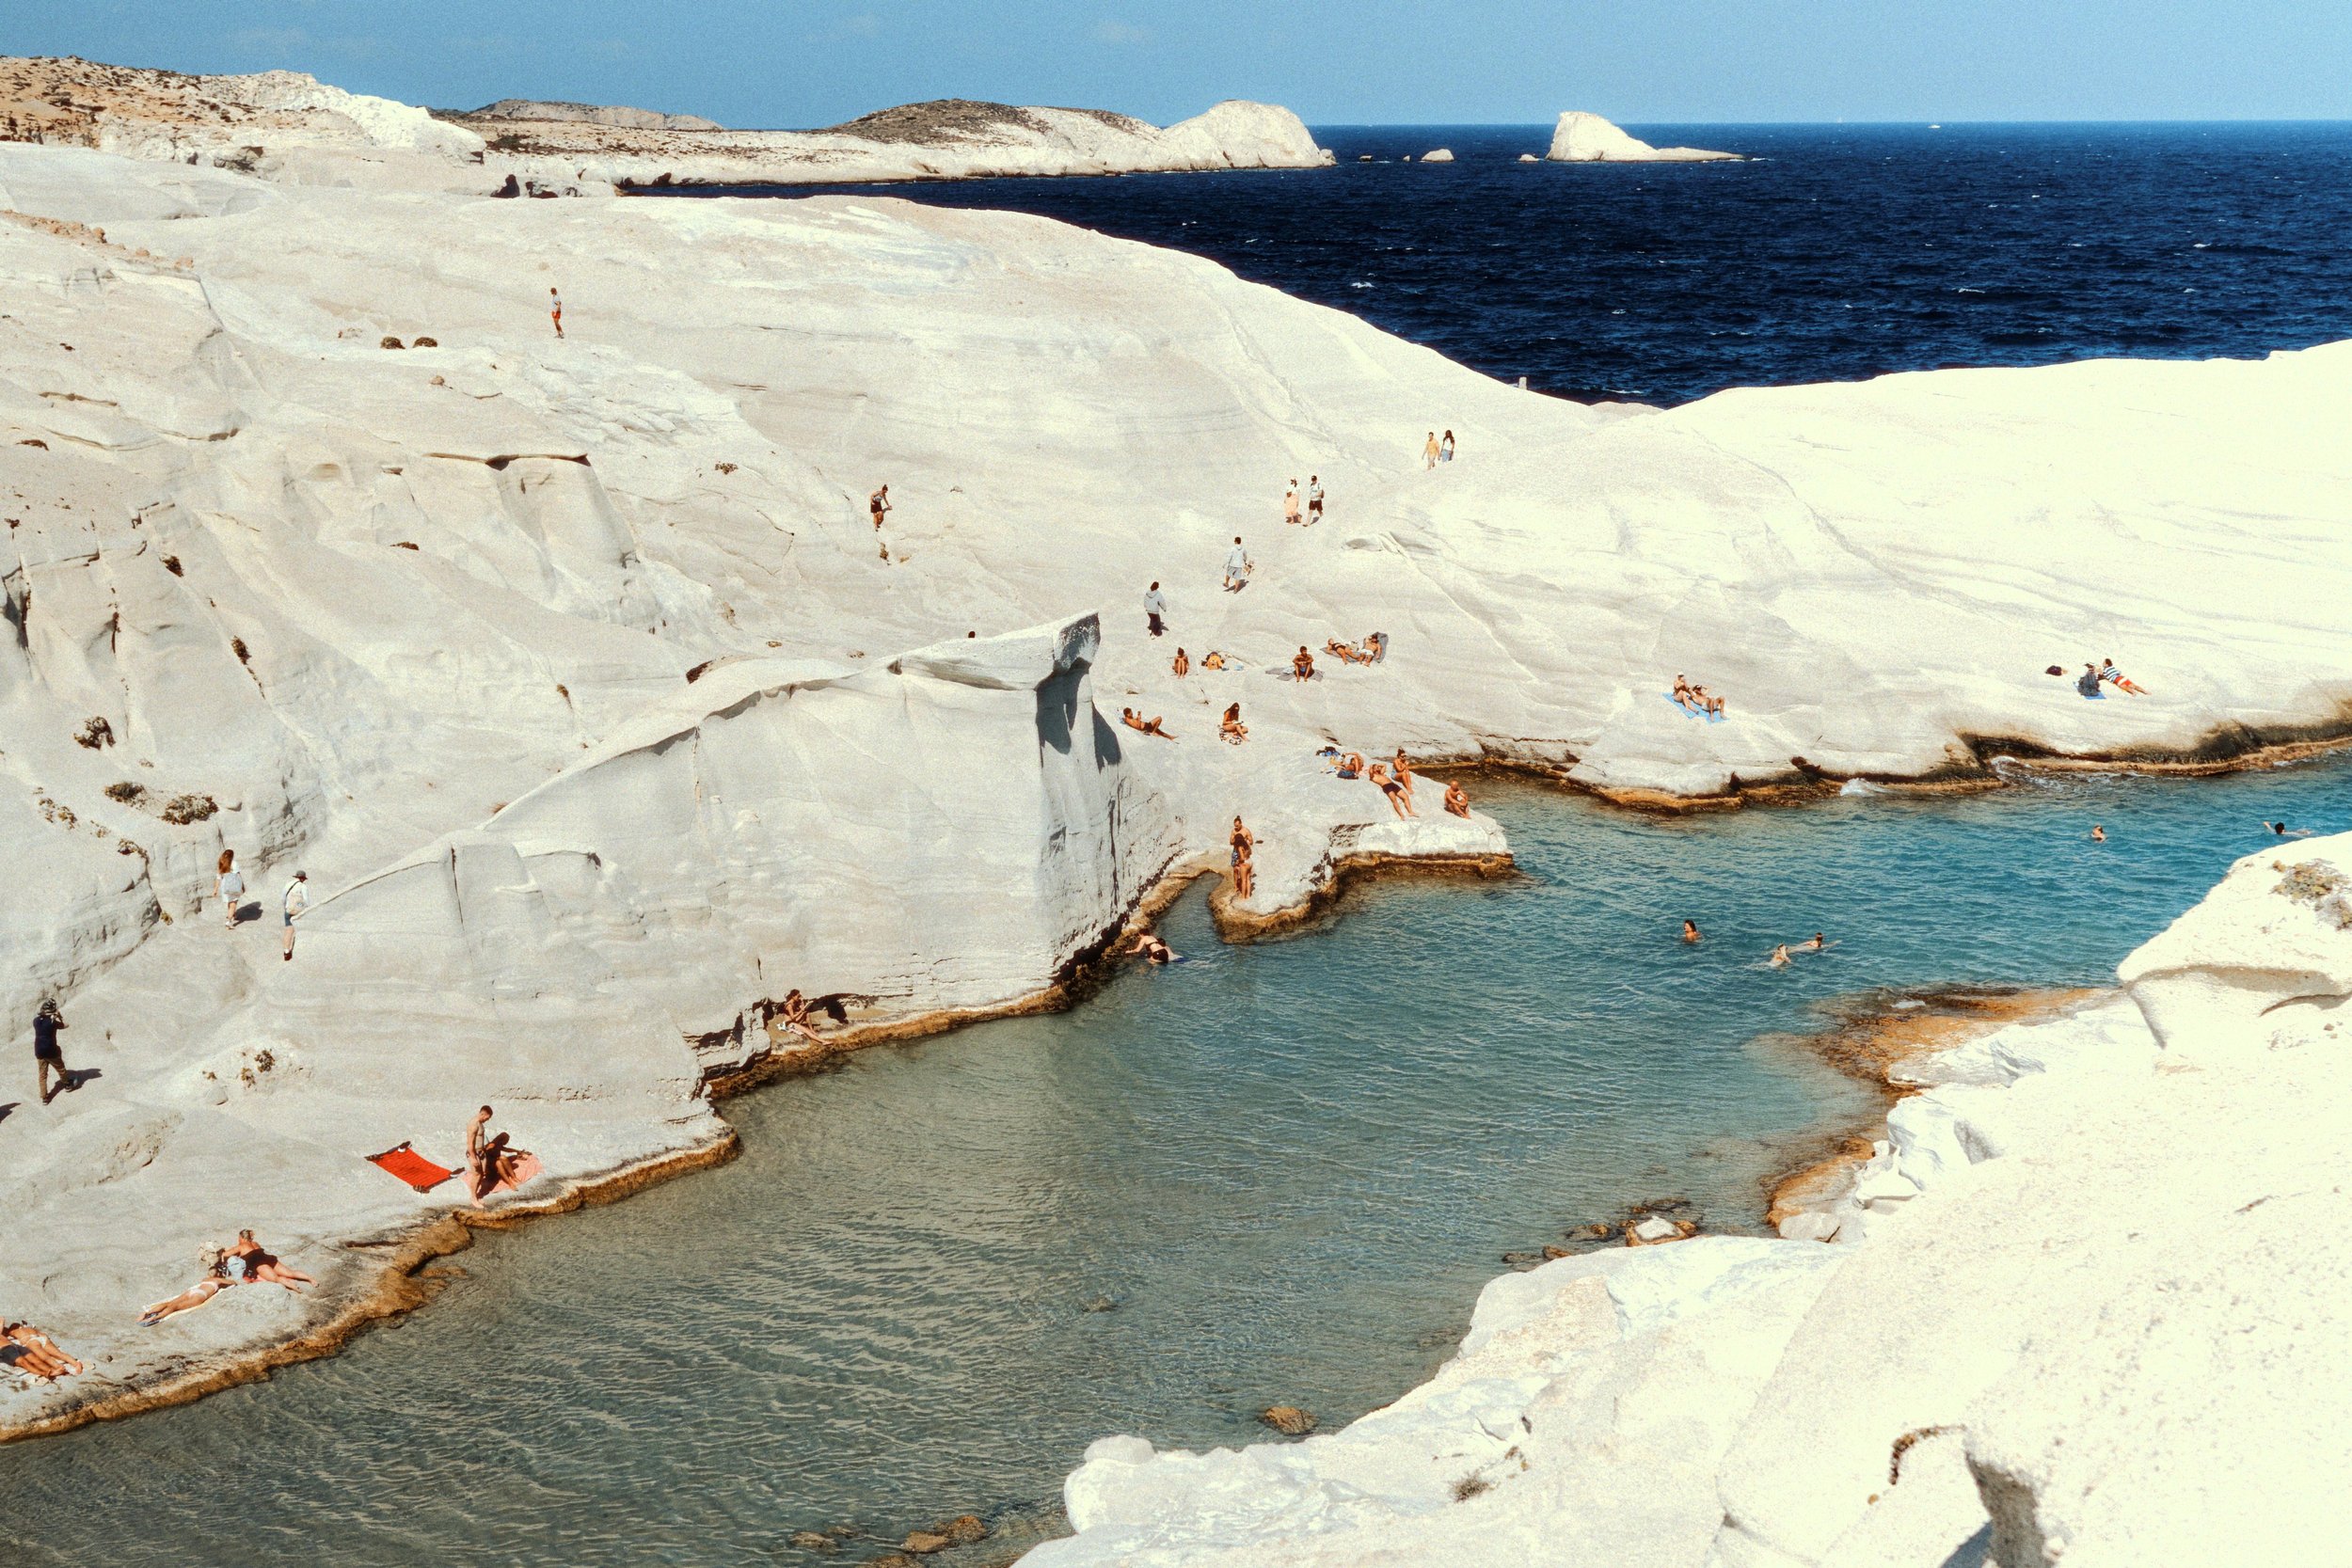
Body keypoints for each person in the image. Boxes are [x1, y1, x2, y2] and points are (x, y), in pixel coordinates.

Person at [139, 1249, 237, 1325]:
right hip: (200, 1295)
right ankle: (154, 1318)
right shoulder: (218, 1280)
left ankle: (148, 1313)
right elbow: (232, 1282)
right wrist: (224, 1279)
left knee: (170, 1303)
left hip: (192, 1291)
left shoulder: (205, 1279)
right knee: (175, 1307)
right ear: (218, 1274)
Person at [230, 1230, 314, 1291]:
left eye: (239, 1238)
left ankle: (294, 1287)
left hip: (260, 1264)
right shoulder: (255, 1243)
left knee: (276, 1278)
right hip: (269, 1259)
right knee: (290, 1273)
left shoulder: (240, 1246)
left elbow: (225, 1254)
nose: (238, 1240)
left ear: (242, 1238)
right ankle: (311, 1279)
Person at [0, 1322, 82, 1380]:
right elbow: (43, 1334)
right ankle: (76, 1364)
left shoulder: (12, 1331)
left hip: (29, 1342)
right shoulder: (28, 1328)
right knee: (59, 1354)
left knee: (45, 1358)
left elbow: (2, 1324)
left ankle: (58, 1368)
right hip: (40, 1338)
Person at [31, 999, 67, 1106]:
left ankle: (44, 1097)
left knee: (42, 1075)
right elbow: (65, 1025)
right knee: (60, 1068)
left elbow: (44, 1023)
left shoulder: (36, 1021)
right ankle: (67, 1083)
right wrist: (59, 1017)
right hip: (51, 1050)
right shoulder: (53, 1023)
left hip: (39, 1051)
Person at [281, 870, 309, 961]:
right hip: (298, 912)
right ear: (302, 878)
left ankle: (286, 952)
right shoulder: (303, 886)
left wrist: (286, 907)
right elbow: (306, 901)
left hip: (288, 910)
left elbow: (283, 898)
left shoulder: (288, 884)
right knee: (301, 931)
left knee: (288, 931)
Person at [217, 848, 246, 928]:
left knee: (229, 902)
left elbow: (218, 877)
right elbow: (238, 875)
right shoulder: (234, 863)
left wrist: (215, 889)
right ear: (232, 856)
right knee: (233, 904)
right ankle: (229, 922)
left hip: (225, 886)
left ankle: (232, 915)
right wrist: (242, 885)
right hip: (233, 885)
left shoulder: (221, 863)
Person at [1230, 817, 1256, 900]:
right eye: (1235, 826)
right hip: (1242, 855)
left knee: (1244, 879)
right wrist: (1234, 841)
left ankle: (1243, 896)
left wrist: (1239, 861)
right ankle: (1237, 887)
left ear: (1241, 823)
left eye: (1238, 826)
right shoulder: (1233, 831)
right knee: (1236, 870)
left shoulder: (1246, 831)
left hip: (1242, 856)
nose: (1236, 828)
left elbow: (1251, 841)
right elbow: (1231, 842)